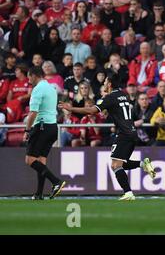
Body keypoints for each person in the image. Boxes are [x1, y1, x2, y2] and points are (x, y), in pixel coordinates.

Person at [59, 73, 157, 201]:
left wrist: (70, 108)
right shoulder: (123, 95)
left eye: (105, 81)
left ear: (109, 84)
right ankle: (143, 165)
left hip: (124, 134)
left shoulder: (110, 97)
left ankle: (128, 193)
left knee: (116, 165)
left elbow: (91, 111)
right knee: (119, 164)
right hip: (132, 132)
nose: (103, 83)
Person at [24, 66, 65, 200]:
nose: (28, 80)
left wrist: (27, 130)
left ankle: (56, 182)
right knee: (41, 160)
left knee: (30, 159)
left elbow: (33, 112)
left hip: (41, 126)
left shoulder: (37, 89)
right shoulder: (51, 88)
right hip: (52, 127)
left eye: (29, 77)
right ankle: (39, 193)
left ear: (34, 75)